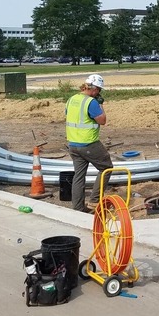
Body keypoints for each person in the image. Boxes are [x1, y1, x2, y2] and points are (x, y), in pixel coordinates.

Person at [65, 73, 113, 212]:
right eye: (99, 90)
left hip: (73, 144)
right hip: (89, 143)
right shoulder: (91, 102)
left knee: (79, 176)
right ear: (95, 89)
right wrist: (100, 104)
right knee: (106, 167)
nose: (98, 93)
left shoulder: (71, 99)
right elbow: (102, 121)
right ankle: (94, 201)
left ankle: (78, 207)